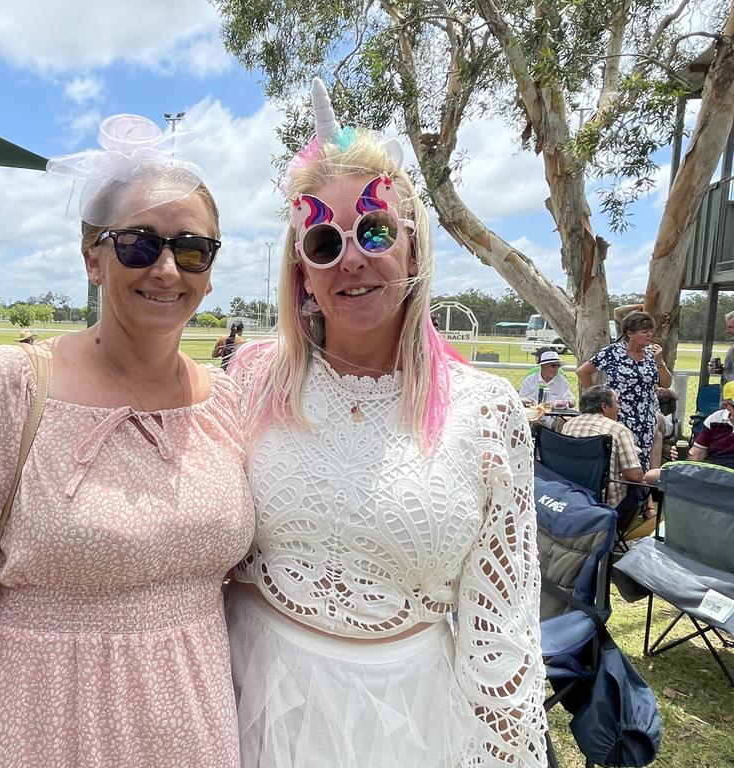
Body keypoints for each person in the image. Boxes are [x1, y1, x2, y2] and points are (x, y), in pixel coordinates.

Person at [0, 113, 254, 767]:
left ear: (209, 271)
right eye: (138, 244)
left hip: (194, 729)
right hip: (35, 728)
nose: (165, 269)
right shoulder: (13, 385)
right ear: (92, 256)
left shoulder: (226, 402)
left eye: (191, 249)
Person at [226, 80, 547, 768]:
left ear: (413, 250)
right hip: (252, 701)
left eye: (374, 231)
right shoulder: (252, 380)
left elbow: (503, 629)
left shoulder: (486, 411)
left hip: (404, 724)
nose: (352, 257)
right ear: (301, 272)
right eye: (322, 239)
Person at [576, 310, 672, 470]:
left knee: (640, 462)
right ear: (630, 334)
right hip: (618, 415)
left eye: (650, 330)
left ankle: (639, 493)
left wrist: (659, 361)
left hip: (645, 419)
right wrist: (597, 398)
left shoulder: (651, 354)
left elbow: (666, 383)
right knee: (616, 460)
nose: (650, 334)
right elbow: (582, 372)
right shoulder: (612, 352)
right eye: (644, 331)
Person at [562, 385, 661, 517]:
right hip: (605, 502)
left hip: (570, 495)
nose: (619, 407)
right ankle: (619, 530)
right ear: (605, 406)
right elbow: (634, 476)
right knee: (640, 484)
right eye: (617, 402)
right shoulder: (618, 430)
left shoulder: (568, 425)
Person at [690, 380, 734, 469]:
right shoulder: (715, 419)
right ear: (726, 405)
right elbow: (697, 454)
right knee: (657, 474)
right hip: (713, 473)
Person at [519, 348, 574, 413]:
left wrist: (566, 403)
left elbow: (571, 401)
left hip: (556, 416)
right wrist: (529, 402)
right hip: (534, 414)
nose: (556, 368)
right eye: (553, 366)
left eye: (558, 366)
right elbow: (520, 400)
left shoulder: (562, 381)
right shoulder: (530, 380)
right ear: (543, 366)